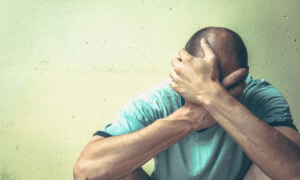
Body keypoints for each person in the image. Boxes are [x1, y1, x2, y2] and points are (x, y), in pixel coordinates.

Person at [73, 27, 300, 180]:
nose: (213, 87)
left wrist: (215, 100)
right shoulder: (157, 101)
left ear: (244, 76)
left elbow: (294, 171)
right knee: (112, 170)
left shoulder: (260, 94)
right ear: (184, 73)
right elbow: (86, 171)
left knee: (274, 163)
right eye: (205, 80)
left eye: (223, 83)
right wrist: (192, 116)